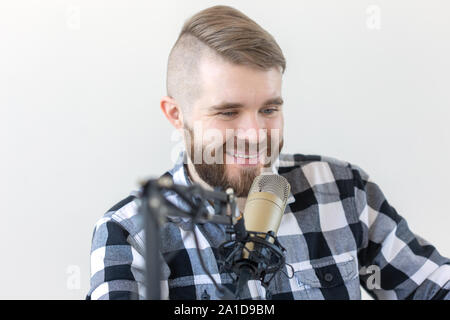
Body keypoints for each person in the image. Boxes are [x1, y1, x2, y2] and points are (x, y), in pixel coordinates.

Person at [86, 5, 450, 300]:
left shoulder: (344, 191)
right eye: (228, 112)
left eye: (269, 109)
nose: (255, 135)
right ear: (176, 115)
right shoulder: (130, 232)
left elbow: (435, 286)